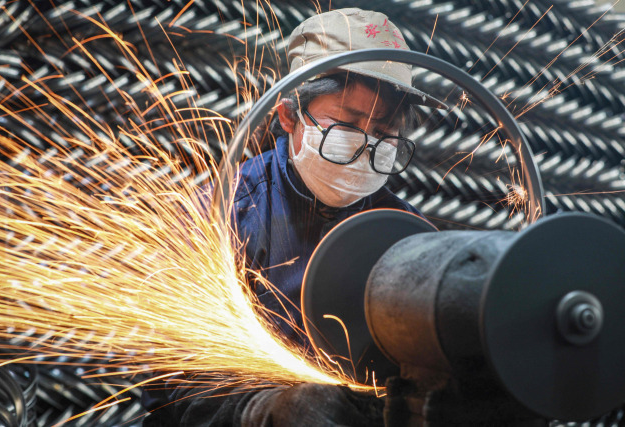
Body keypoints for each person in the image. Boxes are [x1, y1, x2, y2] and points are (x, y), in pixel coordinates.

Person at [142, 7, 443, 426]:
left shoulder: (406, 233)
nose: (366, 146)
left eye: (384, 131)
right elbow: (169, 385)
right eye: (347, 123)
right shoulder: (220, 215)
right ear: (288, 115)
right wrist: (261, 412)